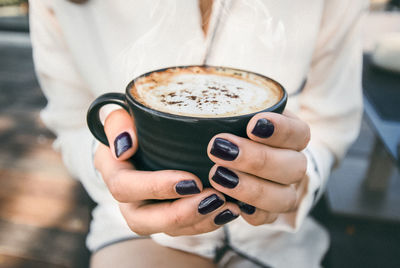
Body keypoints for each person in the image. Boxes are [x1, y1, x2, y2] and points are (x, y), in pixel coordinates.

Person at [29, 0, 367, 267]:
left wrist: (296, 177)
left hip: (277, 232)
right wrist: (105, 161)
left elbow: (330, 121)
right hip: (138, 224)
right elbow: (72, 119)